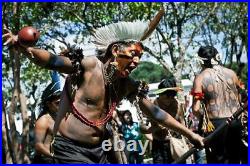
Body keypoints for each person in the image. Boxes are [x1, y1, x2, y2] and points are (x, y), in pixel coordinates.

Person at [3, 15, 204, 163]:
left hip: (100, 151)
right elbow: (55, 61)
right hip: (70, 150)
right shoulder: (90, 66)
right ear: (115, 50)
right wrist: (26, 49)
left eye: (139, 57)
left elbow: (156, 113)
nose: (136, 61)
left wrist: (190, 134)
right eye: (133, 54)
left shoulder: (127, 85)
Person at [192, 46, 245, 163]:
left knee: (217, 160)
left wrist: (203, 119)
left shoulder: (200, 78)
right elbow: (240, 97)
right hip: (235, 120)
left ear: (201, 61)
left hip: (215, 125)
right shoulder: (231, 73)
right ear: (217, 57)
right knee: (235, 159)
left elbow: (195, 109)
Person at [150, 78, 190, 163]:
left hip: (177, 143)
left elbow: (183, 124)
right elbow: (150, 127)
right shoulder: (153, 106)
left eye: (172, 97)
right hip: (159, 145)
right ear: (160, 94)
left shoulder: (178, 105)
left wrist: (187, 140)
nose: (169, 100)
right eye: (166, 97)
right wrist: (158, 128)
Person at [33, 71, 61, 163]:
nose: (60, 105)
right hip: (46, 161)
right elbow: (38, 146)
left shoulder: (61, 118)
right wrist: (55, 157)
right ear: (48, 104)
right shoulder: (43, 121)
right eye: (57, 103)